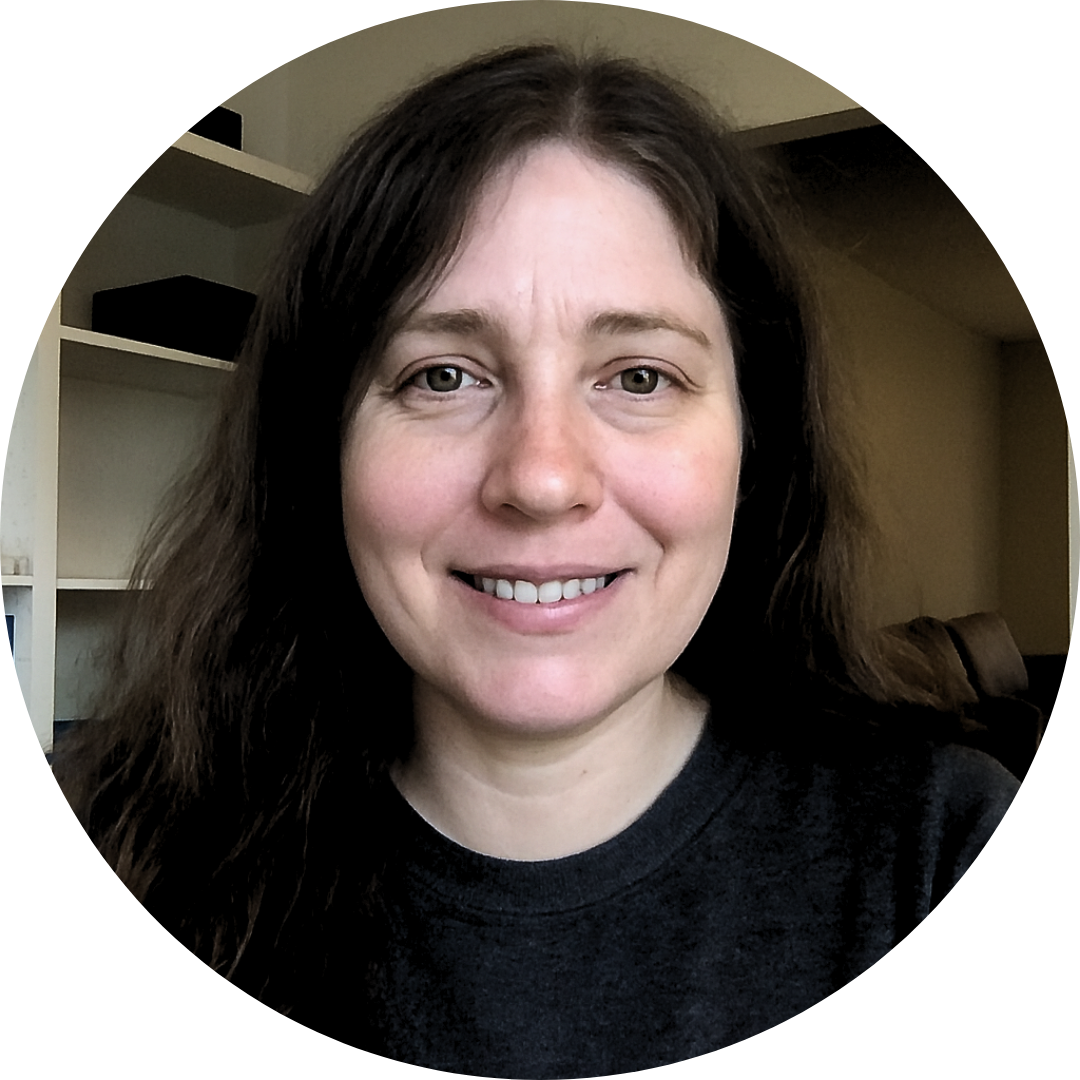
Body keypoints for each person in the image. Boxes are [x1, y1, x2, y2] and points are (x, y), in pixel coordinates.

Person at [39, 42, 1066, 1078]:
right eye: (443, 375)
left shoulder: (949, 855)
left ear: (755, 447)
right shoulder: (118, 841)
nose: (540, 478)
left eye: (639, 377)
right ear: (322, 449)